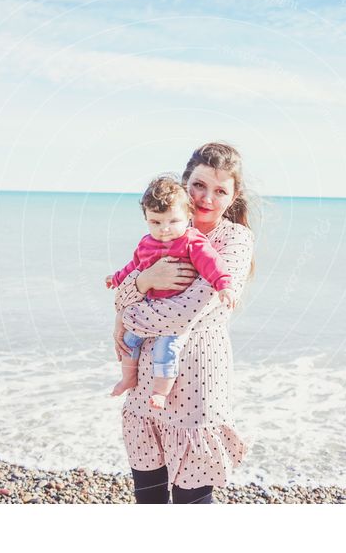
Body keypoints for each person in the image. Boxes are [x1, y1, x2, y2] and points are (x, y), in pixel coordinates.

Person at [112, 142, 255, 504]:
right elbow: (123, 289)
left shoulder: (234, 241)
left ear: (233, 197)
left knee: (192, 501)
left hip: (198, 381)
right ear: (184, 185)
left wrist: (126, 315)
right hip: (148, 379)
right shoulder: (163, 230)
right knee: (149, 496)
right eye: (199, 186)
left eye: (220, 190)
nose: (207, 197)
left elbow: (183, 312)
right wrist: (144, 281)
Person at [107, 175, 236, 410]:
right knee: (128, 341)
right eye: (155, 222)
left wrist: (223, 284)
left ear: (188, 216)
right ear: (146, 219)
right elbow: (133, 267)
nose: (165, 230)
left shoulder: (191, 241)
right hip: (150, 303)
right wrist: (116, 278)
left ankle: (160, 391)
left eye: (173, 221)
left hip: (173, 312)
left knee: (166, 349)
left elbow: (211, 263)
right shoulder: (146, 243)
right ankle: (128, 379)